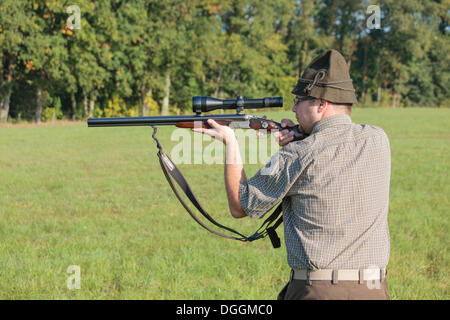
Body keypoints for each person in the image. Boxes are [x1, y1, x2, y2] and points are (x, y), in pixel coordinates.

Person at [193, 49, 391, 300]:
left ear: (322, 103)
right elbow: (332, 147)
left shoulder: (297, 154)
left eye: (299, 100)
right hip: (374, 290)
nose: (294, 108)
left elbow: (240, 206)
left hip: (318, 292)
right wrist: (305, 136)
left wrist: (230, 141)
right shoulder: (378, 139)